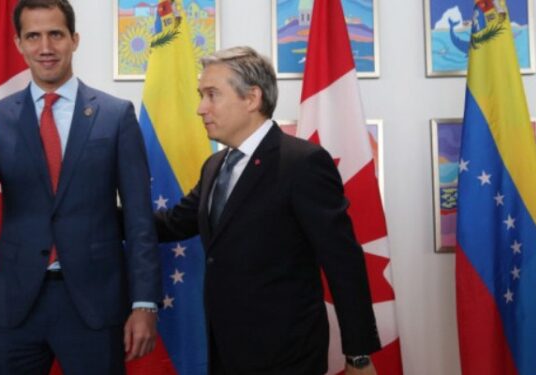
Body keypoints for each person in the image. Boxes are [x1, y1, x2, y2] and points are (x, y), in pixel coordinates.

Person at [0, 1, 160, 373]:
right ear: (19, 44)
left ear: (74, 40)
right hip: (17, 304)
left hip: (95, 303)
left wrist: (145, 303)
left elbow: (140, 219)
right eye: (33, 36)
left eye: (55, 34)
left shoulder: (115, 115)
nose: (45, 47)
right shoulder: (0, 117)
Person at [154, 46, 381, 375]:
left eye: (212, 95)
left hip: (287, 356)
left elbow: (342, 260)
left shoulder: (302, 163)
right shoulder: (215, 165)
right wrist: (97, 215)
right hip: (225, 351)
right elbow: (174, 223)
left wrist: (358, 353)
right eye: (201, 95)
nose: (201, 108)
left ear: (251, 98)